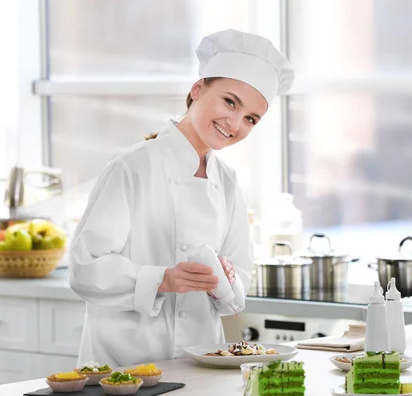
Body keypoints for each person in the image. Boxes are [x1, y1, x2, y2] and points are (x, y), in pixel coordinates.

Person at [68, 28, 295, 367]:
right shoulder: (132, 167)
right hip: (123, 367)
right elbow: (85, 268)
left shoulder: (228, 183)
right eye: (230, 102)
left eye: (250, 119)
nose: (234, 123)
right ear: (198, 88)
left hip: (201, 366)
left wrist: (226, 278)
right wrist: (164, 279)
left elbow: (237, 294)